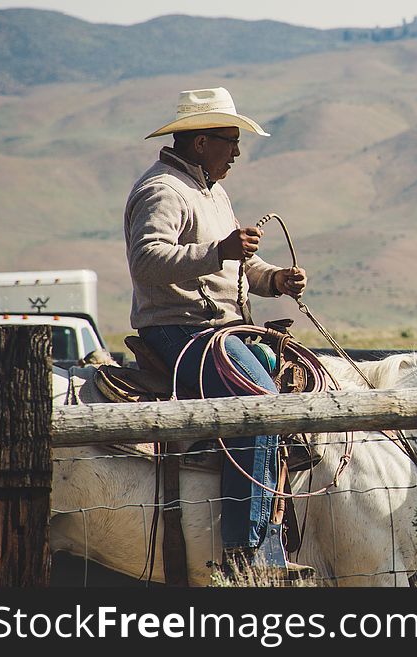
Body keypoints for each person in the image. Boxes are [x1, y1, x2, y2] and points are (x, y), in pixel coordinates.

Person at [123, 87, 310, 576]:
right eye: (230, 140)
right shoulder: (162, 189)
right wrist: (219, 251)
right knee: (257, 401)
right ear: (200, 141)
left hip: (217, 328)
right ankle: (247, 552)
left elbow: (238, 262)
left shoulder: (211, 191)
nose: (237, 151)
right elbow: (146, 262)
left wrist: (274, 279)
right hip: (177, 328)